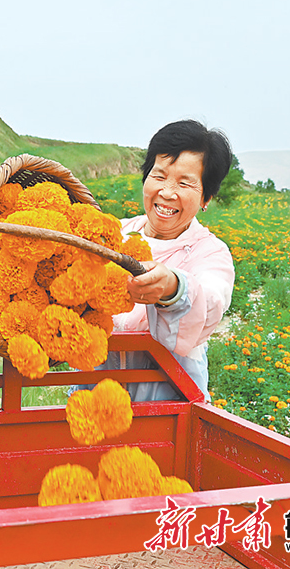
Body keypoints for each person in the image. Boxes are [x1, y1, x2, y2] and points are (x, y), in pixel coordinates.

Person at [100, 119, 235, 402]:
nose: (167, 193)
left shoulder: (210, 253)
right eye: (159, 176)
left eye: (184, 183)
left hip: (167, 413)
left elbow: (211, 301)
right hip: (96, 399)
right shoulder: (114, 234)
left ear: (205, 197)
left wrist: (173, 288)